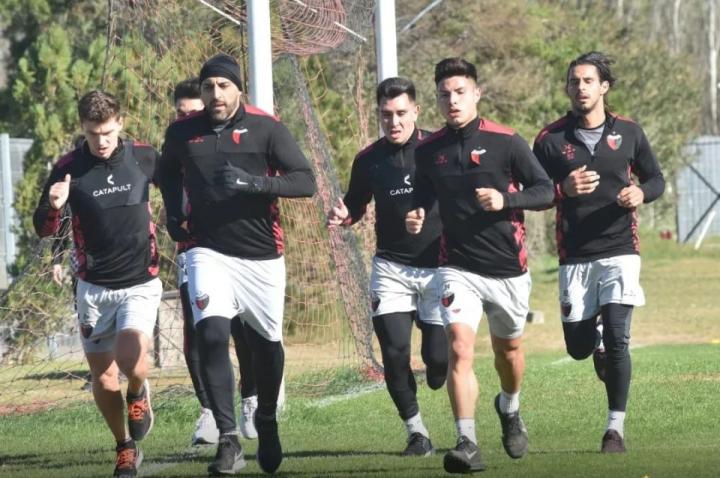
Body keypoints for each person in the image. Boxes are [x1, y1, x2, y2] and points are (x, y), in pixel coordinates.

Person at [159, 53, 316, 475]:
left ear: (238, 89)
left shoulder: (266, 128)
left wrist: (255, 183)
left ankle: (265, 416)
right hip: (206, 250)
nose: (215, 94)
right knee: (211, 333)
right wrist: (175, 215)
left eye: (223, 86)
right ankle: (228, 439)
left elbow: (306, 181)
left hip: (261, 255)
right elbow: (167, 174)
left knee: (267, 345)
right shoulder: (182, 133)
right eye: (208, 87)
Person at [406, 57, 554, 474]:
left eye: (459, 92)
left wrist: (506, 199)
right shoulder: (428, 149)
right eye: (444, 94)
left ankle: (509, 407)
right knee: (459, 347)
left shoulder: (507, 141)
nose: (451, 100)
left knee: (508, 351)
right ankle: (466, 442)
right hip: (457, 266)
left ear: (476, 93)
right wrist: (417, 211)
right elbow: (423, 194)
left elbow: (546, 191)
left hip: (508, 268)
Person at [533, 51, 665, 453]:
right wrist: (562, 191)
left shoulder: (629, 132)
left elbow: (656, 179)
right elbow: (533, 193)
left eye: (588, 81)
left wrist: (641, 192)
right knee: (577, 347)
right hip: (575, 256)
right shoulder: (550, 140)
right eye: (574, 81)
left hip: (620, 250)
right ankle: (595, 341)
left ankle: (614, 431)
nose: (580, 87)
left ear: (604, 86)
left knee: (620, 341)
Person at [33, 90, 162, 478]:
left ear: (120, 122)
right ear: (83, 129)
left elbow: (180, 188)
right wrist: (53, 209)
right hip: (93, 286)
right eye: (93, 134)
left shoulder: (144, 156)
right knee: (103, 376)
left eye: (107, 132)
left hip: (140, 280)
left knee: (130, 359)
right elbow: (42, 227)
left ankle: (138, 391)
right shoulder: (68, 168)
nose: (101, 141)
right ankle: (125, 447)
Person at [326, 77, 447, 457]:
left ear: (416, 111)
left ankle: (438, 369)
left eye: (400, 114)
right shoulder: (368, 159)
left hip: (440, 268)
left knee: (438, 363)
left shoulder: (439, 150)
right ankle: (416, 432)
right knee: (394, 353)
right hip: (391, 268)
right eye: (385, 115)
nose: (393, 122)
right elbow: (356, 204)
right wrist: (345, 214)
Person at [169, 78, 260, 446]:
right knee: (199, 333)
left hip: (238, 250)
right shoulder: (173, 145)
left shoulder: (223, 142)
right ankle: (208, 411)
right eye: (180, 112)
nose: (187, 118)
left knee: (243, 331)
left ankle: (250, 400)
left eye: (193, 112)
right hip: (193, 251)